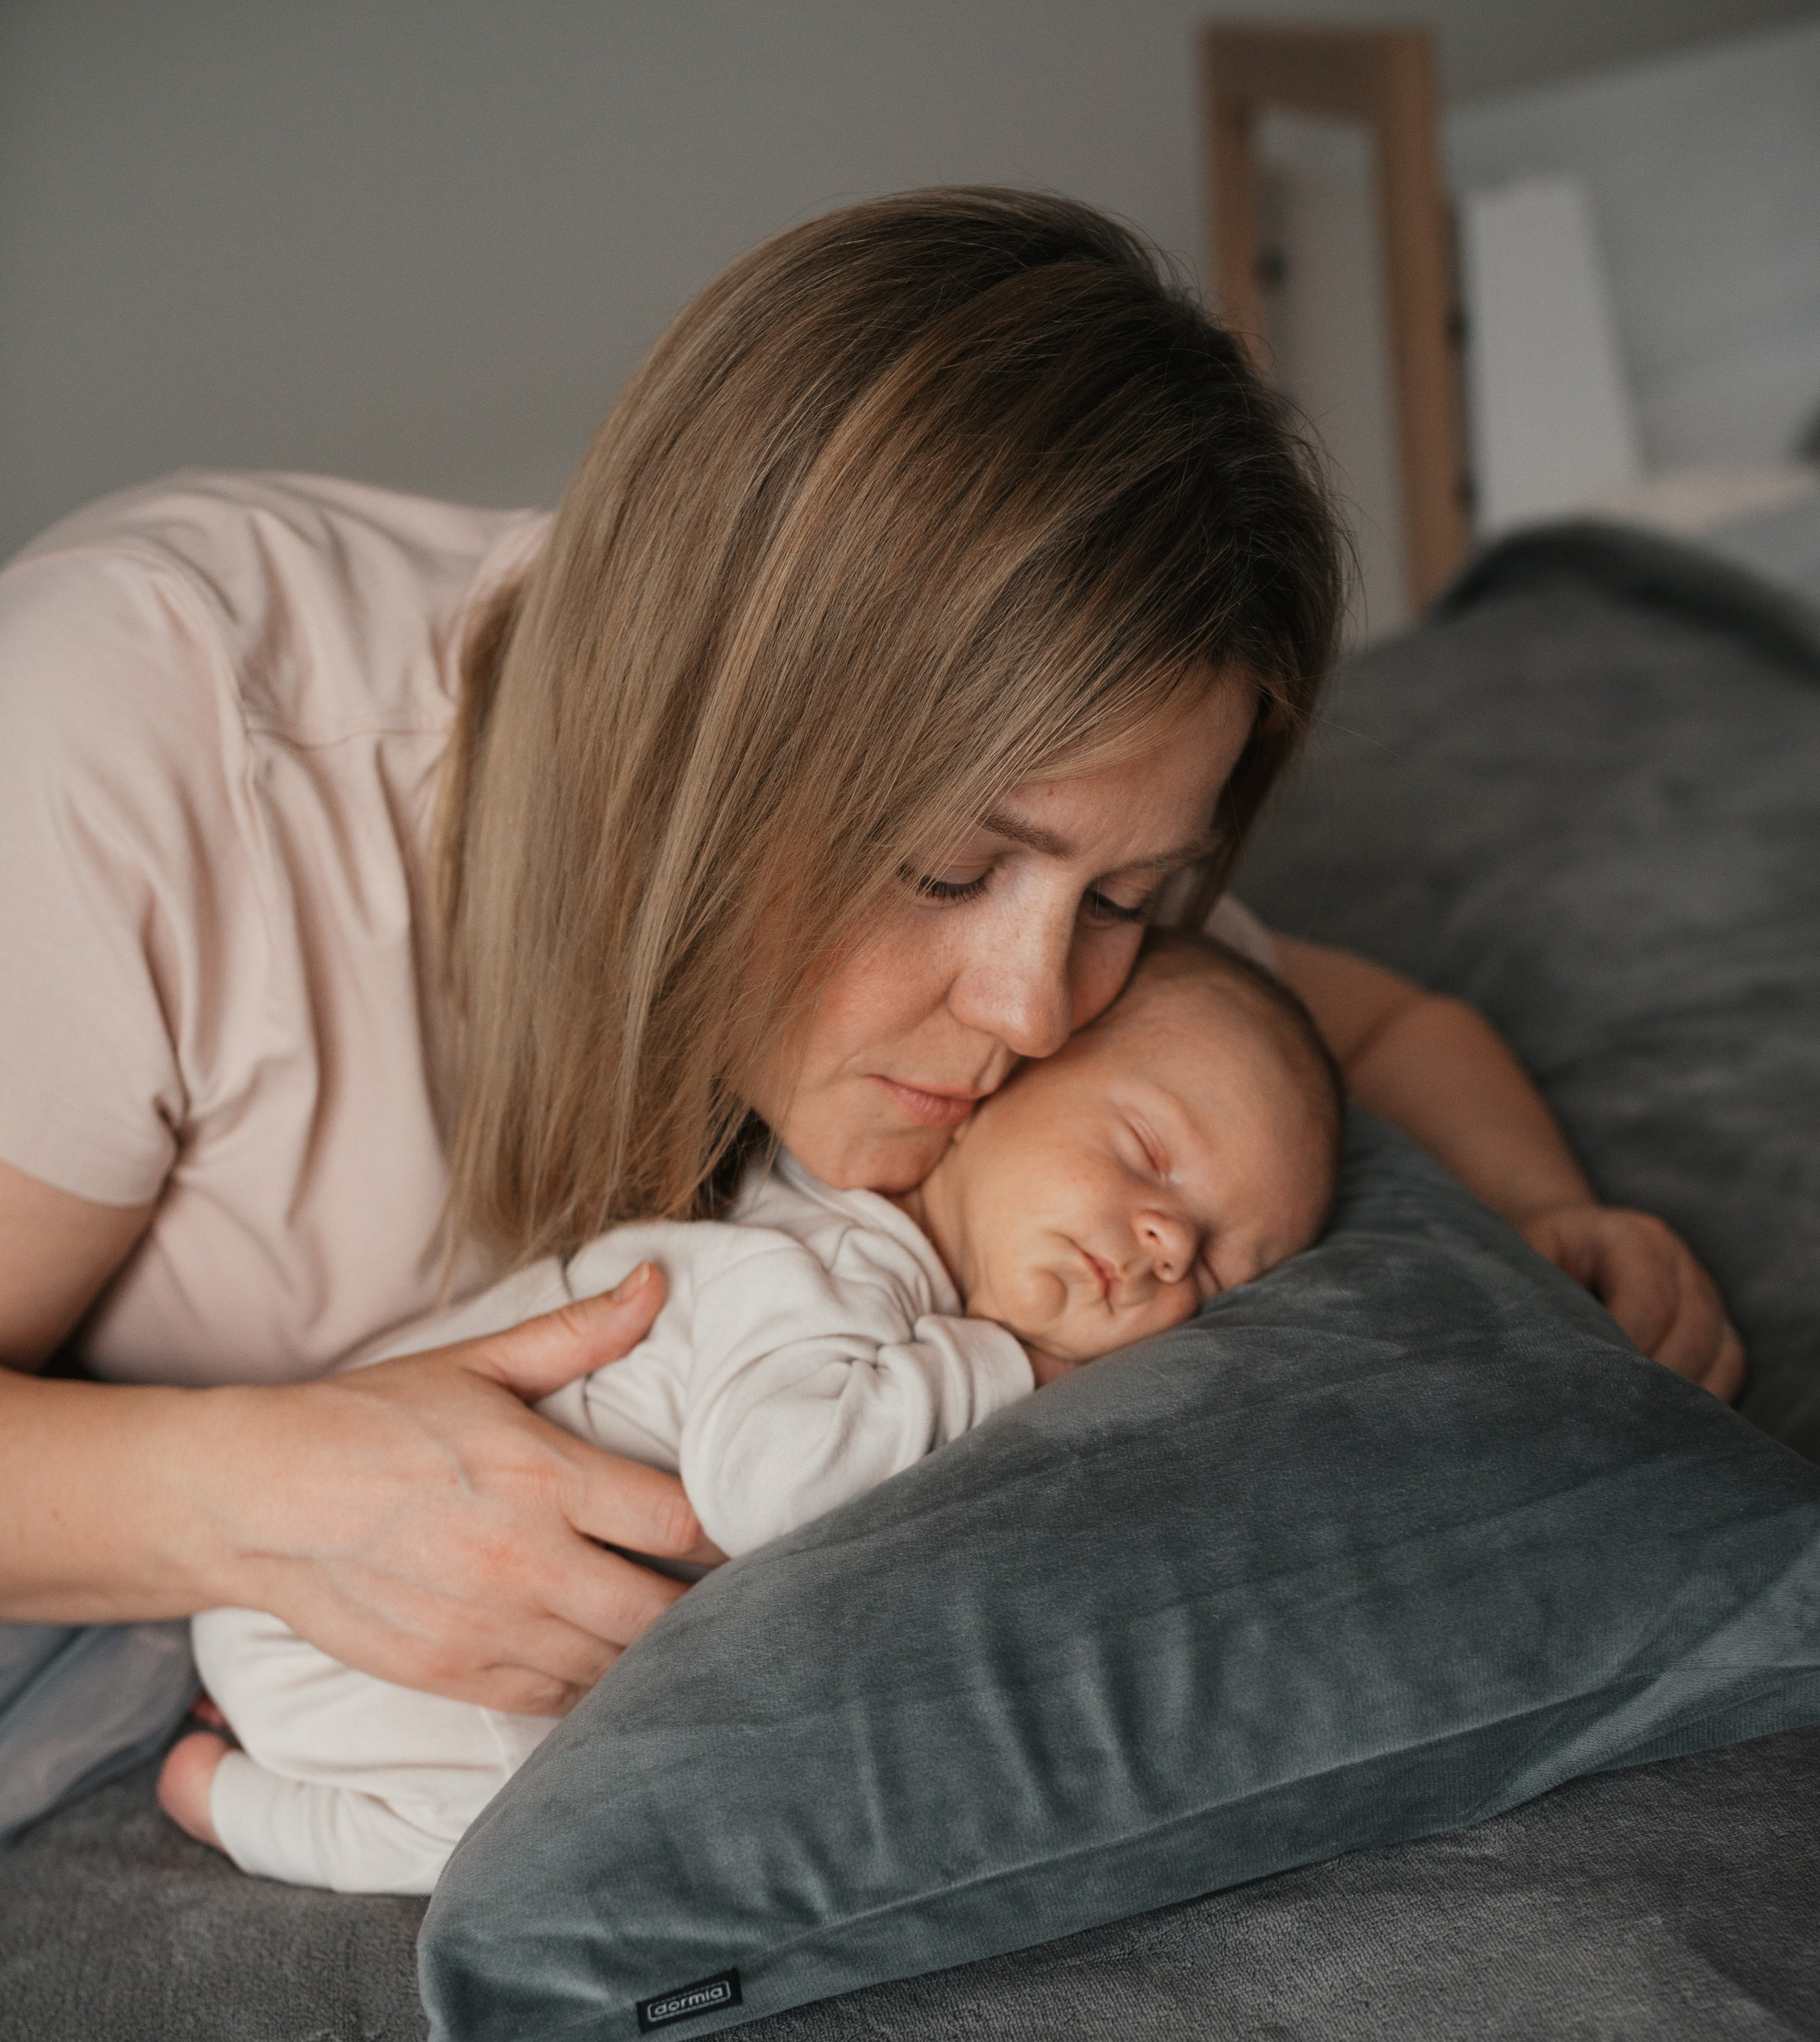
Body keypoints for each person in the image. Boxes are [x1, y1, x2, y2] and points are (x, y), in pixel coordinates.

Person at [0, 188, 1744, 1827]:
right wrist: (256, 1500)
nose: (1034, 1010)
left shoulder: (1064, 949)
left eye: (1127, 896)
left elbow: (1371, 1029)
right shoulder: (142, 756)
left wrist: (1540, 1211)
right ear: (710, 741)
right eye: (941, 870)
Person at [158, 934, 1342, 1891]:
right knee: (518, 1845)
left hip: (332, 1593)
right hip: (357, 1598)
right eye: (1145, 1151)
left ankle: (267, 1718)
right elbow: (770, 1488)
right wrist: (1008, 1362)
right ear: (985, 1095)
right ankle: (235, 1804)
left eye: (1223, 1271)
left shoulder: (866, 1267)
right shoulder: (813, 1281)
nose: (1168, 1241)